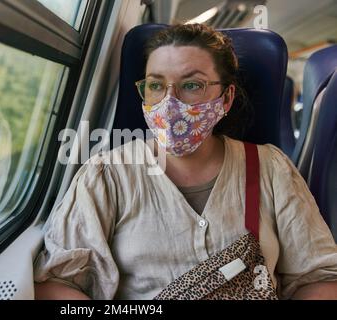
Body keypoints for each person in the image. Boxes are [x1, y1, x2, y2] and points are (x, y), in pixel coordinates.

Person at [33, 24, 337, 300]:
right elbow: (58, 282)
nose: (170, 102)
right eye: (155, 85)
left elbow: (319, 277)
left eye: (192, 85)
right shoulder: (107, 175)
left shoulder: (271, 168)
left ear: (226, 98)